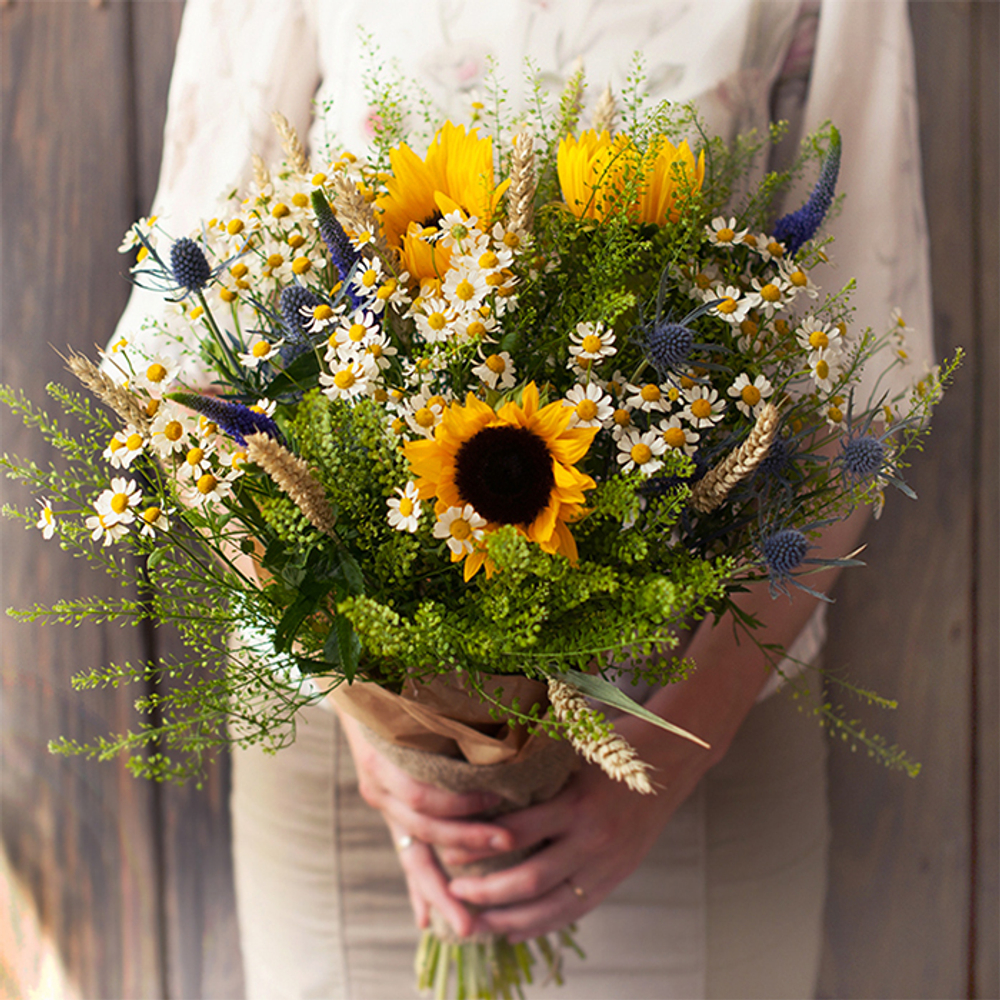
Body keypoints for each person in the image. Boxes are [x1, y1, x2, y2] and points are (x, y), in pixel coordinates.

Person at [112, 2, 934, 996]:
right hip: (357, 781)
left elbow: (855, 398)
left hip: (694, 736)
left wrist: (667, 758)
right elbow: (188, 361)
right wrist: (371, 719)